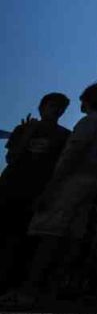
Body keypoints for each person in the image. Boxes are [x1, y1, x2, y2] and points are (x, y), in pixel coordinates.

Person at [6, 82, 97, 306]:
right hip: (93, 180)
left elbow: (72, 154)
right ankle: (51, 289)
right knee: (71, 238)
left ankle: (29, 290)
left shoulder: (90, 122)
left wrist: (52, 186)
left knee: (48, 234)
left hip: (73, 179)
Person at [0, 93, 71, 286]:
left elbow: (61, 166)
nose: (55, 110)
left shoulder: (65, 136)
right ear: (41, 107)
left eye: (59, 107)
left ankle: (12, 283)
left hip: (37, 190)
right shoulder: (23, 129)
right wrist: (27, 134)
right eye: (51, 106)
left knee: (22, 238)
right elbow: (11, 158)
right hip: (10, 186)